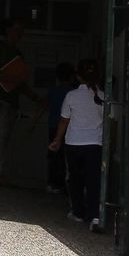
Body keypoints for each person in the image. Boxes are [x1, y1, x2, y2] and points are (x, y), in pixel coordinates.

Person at [51, 58, 107, 233]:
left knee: (75, 178)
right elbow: (110, 122)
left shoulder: (71, 95)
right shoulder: (104, 96)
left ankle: (77, 212)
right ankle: (94, 214)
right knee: (93, 180)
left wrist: (57, 140)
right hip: (95, 144)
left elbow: (64, 120)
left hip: (74, 143)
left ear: (77, 76)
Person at [0, 17, 36, 185]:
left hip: (10, 100)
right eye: (16, 29)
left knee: (3, 138)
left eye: (21, 31)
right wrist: (11, 77)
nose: (20, 34)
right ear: (7, 30)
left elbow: (20, 83)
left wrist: (35, 98)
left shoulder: (17, 53)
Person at [43, 62, 77, 193]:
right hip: (69, 129)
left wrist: (33, 122)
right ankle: (63, 184)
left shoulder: (53, 91)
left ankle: (53, 183)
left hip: (53, 127)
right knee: (66, 158)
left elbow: (44, 106)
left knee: (54, 156)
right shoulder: (73, 93)